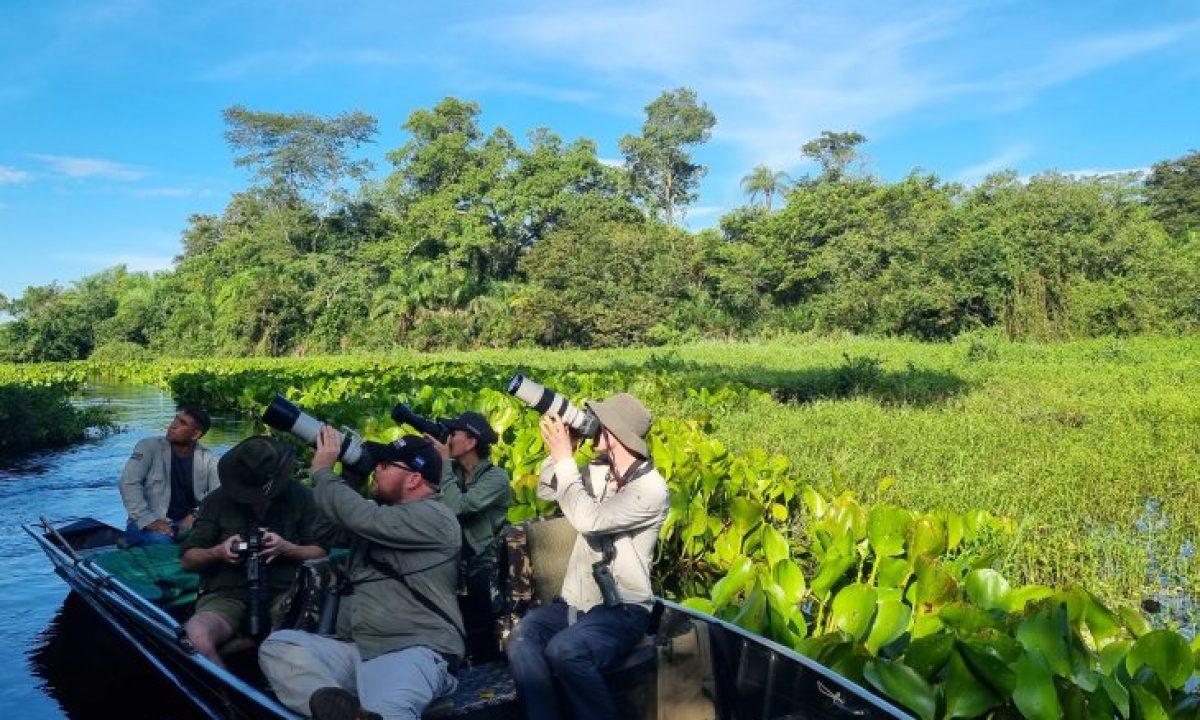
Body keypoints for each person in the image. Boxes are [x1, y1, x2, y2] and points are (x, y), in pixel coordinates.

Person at [259, 428, 464, 720]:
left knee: (390, 712)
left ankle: (362, 713)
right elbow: (325, 535)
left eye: (383, 465)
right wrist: (351, 478)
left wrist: (322, 472)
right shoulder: (379, 513)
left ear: (414, 479)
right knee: (279, 647)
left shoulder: (436, 517)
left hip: (413, 649)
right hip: (359, 649)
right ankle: (342, 711)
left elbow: (363, 518)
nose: (375, 470)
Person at [505, 393, 670, 720]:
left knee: (566, 650)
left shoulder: (651, 489)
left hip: (622, 608)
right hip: (575, 603)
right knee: (521, 638)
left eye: (599, 423)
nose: (591, 425)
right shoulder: (600, 470)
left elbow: (589, 520)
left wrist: (566, 459)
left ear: (616, 434)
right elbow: (547, 490)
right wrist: (566, 452)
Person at [179, 436, 327, 666]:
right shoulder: (216, 501)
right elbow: (188, 560)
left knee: (297, 638)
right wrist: (218, 552)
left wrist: (287, 549)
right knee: (195, 636)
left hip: (285, 592)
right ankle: (224, 696)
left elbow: (321, 552)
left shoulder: (301, 497)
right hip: (228, 594)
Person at [427, 411, 511, 663]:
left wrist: (442, 464)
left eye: (453, 434)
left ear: (472, 442)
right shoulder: (451, 470)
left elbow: (458, 506)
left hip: (486, 564)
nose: (448, 438)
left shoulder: (496, 478)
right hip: (453, 562)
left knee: (480, 628)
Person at [118, 406, 219, 547]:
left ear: (195, 434)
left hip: (188, 524)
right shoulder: (148, 447)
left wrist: (195, 516)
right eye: (176, 419)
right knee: (162, 543)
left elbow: (217, 494)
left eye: (182, 423)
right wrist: (150, 521)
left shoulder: (208, 458)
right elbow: (128, 484)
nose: (173, 425)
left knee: (221, 537)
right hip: (147, 523)